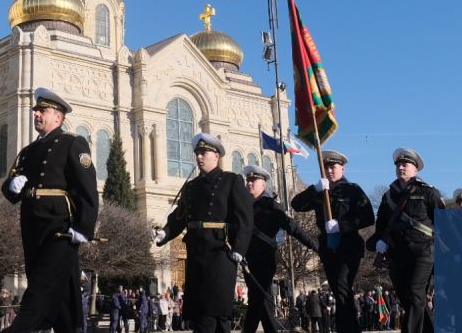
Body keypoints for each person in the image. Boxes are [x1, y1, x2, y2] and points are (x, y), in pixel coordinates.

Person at [0, 88, 99, 333]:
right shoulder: (28, 151)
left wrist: (83, 228)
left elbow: (87, 187)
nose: (37, 115)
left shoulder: (72, 143)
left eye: (42, 111)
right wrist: (12, 187)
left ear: (58, 117)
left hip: (60, 226)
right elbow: (10, 187)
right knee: (58, 290)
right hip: (32, 224)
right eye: (35, 111)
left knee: (42, 285)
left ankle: (18, 329)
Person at [155, 133, 252, 333]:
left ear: (216, 156)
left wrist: (239, 248)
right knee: (200, 313)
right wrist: (164, 233)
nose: (199, 156)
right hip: (197, 253)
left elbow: (244, 217)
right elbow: (179, 216)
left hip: (221, 252)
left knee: (218, 313)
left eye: (204, 152)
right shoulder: (191, 187)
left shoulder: (230, 180)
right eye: (197, 152)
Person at [290, 150, 371, 333]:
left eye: (333, 167)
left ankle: (347, 329)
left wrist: (342, 226)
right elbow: (296, 205)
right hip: (328, 247)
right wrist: (314, 189)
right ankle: (351, 328)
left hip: (349, 245)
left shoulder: (353, 190)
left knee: (342, 285)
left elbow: (368, 217)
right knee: (339, 290)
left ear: (342, 168)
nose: (330, 171)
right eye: (326, 167)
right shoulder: (321, 191)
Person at [366, 148, 443, 333]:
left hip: (423, 252)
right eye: (398, 165)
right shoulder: (388, 196)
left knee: (416, 293)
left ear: (415, 170)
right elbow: (382, 226)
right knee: (406, 297)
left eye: (405, 164)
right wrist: (375, 242)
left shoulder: (428, 193)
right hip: (397, 254)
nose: (401, 167)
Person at [238, 164, 317, 333]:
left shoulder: (272, 206)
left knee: (256, 300)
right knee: (263, 304)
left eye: (254, 180)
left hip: (265, 260)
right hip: (247, 261)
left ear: (263, 185)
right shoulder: (243, 206)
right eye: (248, 180)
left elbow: (293, 228)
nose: (250, 183)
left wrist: (315, 246)